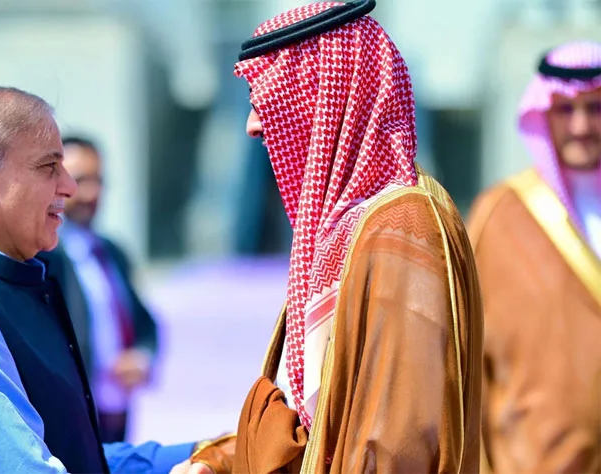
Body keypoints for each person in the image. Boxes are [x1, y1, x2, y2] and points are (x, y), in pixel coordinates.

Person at [177, 1, 484, 472]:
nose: (252, 126)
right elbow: (318, 426)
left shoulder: (400, 227)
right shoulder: (350, 230)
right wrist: (218, 462)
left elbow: (393, 448)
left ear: (326, 100)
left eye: (266, 102)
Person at [0, 86, 196, 473]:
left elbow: (77, 457)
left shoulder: (13, 283)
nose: (69, 187)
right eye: (49, 167)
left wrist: (201, 454)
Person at [465, 41, 601, 473]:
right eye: (565, 109)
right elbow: (464, 362)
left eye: (595, 108)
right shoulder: (499, 216)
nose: (581, 126)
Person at [38, 135, 159, 444]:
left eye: (99, 181)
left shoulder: (113, 253)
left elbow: (144, 323)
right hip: (68, 420)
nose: (92, 193)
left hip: (115, 418)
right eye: (81, 180)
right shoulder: (41, 259)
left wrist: (142, 358)